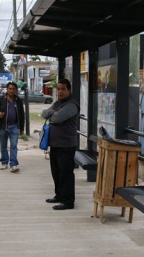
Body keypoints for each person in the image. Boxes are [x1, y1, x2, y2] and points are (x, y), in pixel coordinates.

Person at [41, 78, 80, 210]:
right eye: (58, 89)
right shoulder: (58, 104)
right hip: (55, 144)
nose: (60, 91)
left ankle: (68, 201)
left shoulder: (72, 105)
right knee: (56, 172)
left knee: (66, 174)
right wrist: (53, 112)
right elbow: (44, 113)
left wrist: (52, 115)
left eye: (63, 89)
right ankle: (59, 195)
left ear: (69, 90)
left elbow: (57, 119)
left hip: (67, 146)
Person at [0, 82, 25, 173]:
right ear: (7, 89)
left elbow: (22, 115)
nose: (11, 90)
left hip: (14, 126)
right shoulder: (2, 99)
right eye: (10, 89)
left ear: (15, 90)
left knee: (13, 146)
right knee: (3, 145)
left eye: (13, 89)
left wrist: (21, 128)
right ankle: (4, 162)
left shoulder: (18, 100)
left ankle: (13, 164)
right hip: (4, 126)